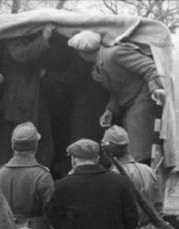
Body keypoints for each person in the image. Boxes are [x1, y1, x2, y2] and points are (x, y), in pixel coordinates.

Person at [68, 29, 165, 163]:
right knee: (131, 145)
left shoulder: (115, 54)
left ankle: (139, 175)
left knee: (137, 148)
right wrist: (111, 109)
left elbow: (151, 68)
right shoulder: (99, 66)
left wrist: (156, 89)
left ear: (82, 54)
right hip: (129, 102)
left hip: (143, 98)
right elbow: (116, 88)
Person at [0, 24, 56, 168]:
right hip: (18, 100)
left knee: (41, 137)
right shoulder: (12, 39)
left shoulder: (26, 39)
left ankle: (40, 170)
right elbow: (22, 55)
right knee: (15, 138)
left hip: (33, 97)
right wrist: (44, 38)